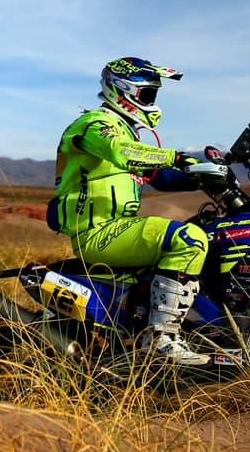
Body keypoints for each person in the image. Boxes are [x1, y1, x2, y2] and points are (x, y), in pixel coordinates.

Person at [47, 57, 227, 367]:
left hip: (119, 228)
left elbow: (161, 177)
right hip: (100, 232)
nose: (152, 102)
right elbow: (120, 151)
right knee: (189, 239)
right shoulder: (95, 124)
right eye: (147, 94)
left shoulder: (128, 134)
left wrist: (204, 175)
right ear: (123, 91)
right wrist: (176, 157)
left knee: (205, 234)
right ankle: (161, 339)